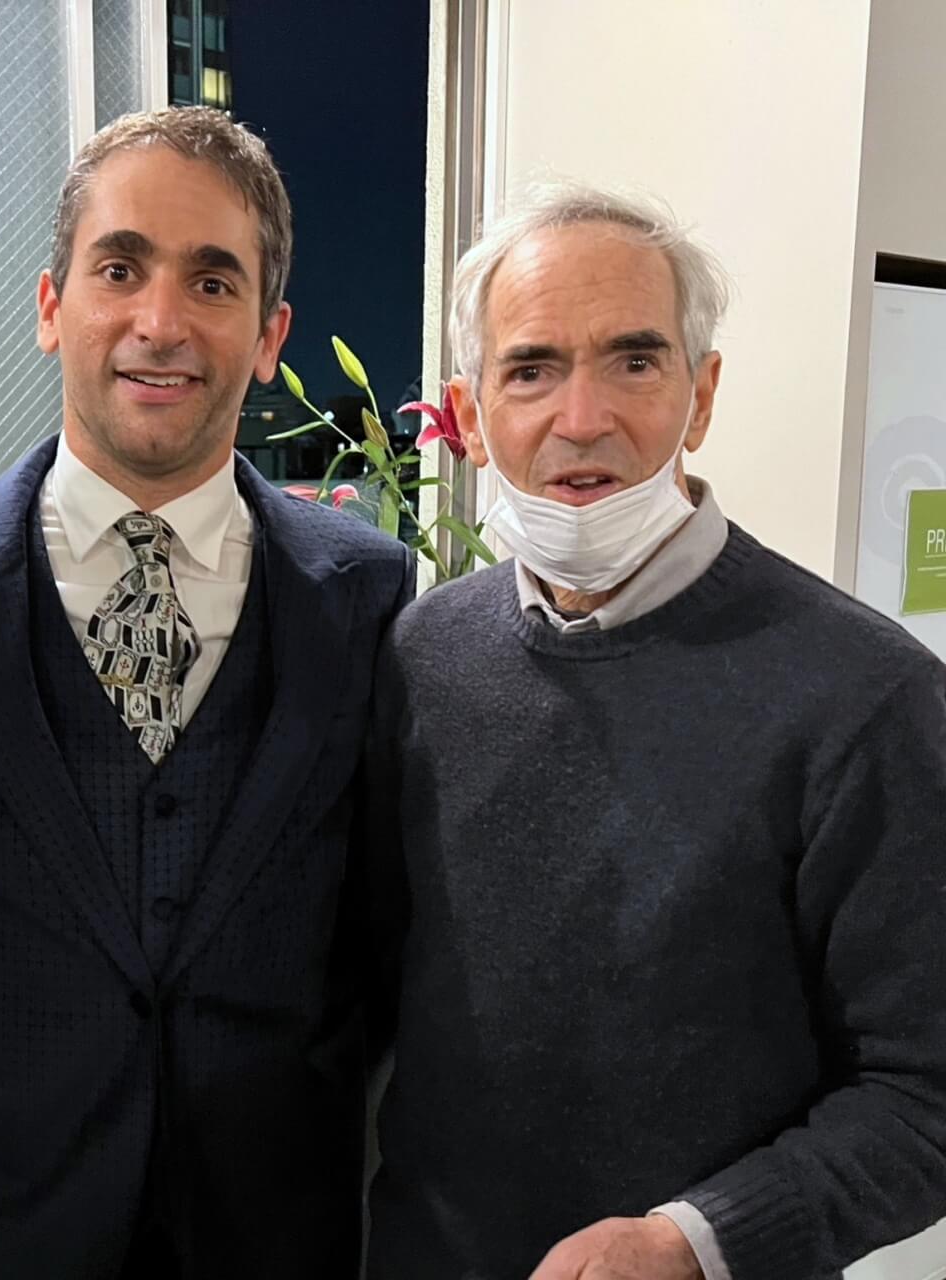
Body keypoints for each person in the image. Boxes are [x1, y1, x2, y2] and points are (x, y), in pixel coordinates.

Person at [0, 106, 411, 1277]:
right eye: (119, 268)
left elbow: (394, 911)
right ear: (51, 304)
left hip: (275, 1232)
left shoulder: (366, 589)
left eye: (212, 283)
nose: (159, 322)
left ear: (268, 335)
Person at [365, 182, 946, 1280]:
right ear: (470, 411)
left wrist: (698, 1239)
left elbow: (926, 1093)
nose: (581, 418)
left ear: (703, 392)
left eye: (633, 361)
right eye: (530, 368)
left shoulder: (867, 698)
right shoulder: (420, 660)